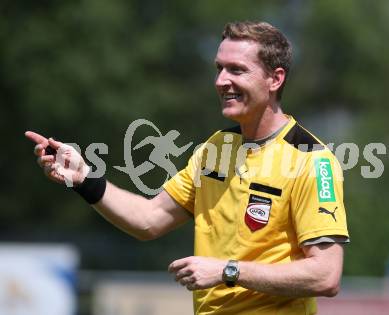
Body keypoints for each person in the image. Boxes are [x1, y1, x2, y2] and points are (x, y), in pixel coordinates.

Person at [25, 21, 349, 315]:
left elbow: (326, 274)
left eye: (237, 70)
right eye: (219, 68)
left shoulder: (311, 159)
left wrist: (228, 270)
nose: (222, 81)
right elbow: (149, 220)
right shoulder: (216, 149)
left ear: (275, 79)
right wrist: (84, 178)